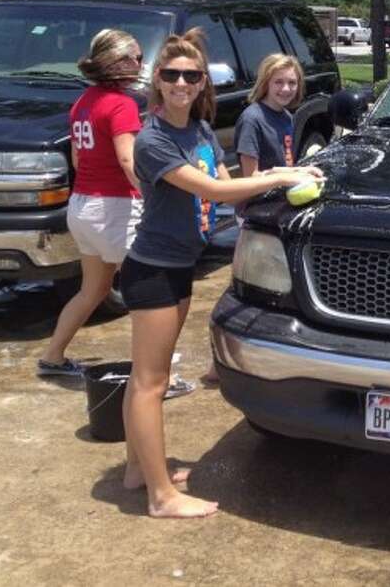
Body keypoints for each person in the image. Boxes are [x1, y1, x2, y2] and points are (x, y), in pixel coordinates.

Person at [119, 29, 322, 518]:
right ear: (157, 80)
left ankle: (136, 469)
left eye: (191, 76)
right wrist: (283, 174)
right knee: (150, 382)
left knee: (146, 377)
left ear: (202, 82)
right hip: (151, 269)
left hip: (180, 267)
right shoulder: (153, 140)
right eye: (172, 75)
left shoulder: (202, 132)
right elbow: (210, 190)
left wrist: (280, 187)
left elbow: (232, 185)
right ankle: (161, 496)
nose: (181, 83)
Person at [38, 30, 144, 377]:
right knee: (147, 293)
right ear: (117, 62)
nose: (140, 65)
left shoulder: (82, 102)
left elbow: (77, 159)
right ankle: (153, 373)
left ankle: (53, 356)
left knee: (93, 289)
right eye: (136, 58)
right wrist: (152, 196)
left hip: (82, 204)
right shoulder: (122, 104)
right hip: (114, 207)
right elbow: (128, 160)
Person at [199, 53, 306, 386]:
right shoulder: (253, 118)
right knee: (241, 289)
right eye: (279, 82)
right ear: (265, 83)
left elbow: (284, 164)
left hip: (278, 213)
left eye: (292, 83)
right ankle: (218, 362)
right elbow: (251, 176)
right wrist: (288, 174)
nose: (286, 89)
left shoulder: (286, 117)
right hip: (254, 216)